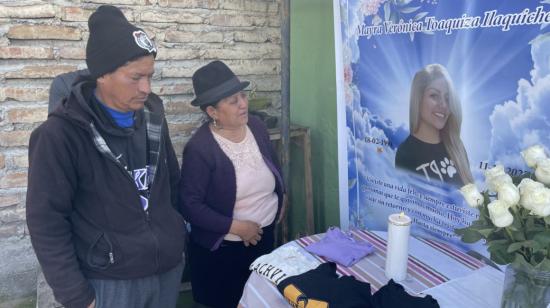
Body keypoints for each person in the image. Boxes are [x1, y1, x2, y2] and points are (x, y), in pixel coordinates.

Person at [26, 5, 186, 308]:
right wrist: (76, 296)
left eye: (150, 76)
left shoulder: (153, 117)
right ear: (102, 74)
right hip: (106, 282)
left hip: (165, 272)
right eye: (135, 77)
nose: (146, 88)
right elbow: (46, 221)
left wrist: (175, 238)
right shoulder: (59, 136)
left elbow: (171, 186)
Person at [179, 60, 286, 308]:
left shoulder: (256, 127)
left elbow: (272, 163)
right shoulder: (200, 149)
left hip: (264, 239)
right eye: (233, 101)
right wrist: (237, 227)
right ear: (212, 112)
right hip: (224, 253)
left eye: (242, 95)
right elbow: (189, 205)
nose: (243, 104)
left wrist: (282, 194)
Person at [395, 63, 473, 186]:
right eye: (434, 95)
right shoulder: (406, 153)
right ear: (418, 99)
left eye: (447, 98)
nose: (443, 105)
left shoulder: (456, 146)